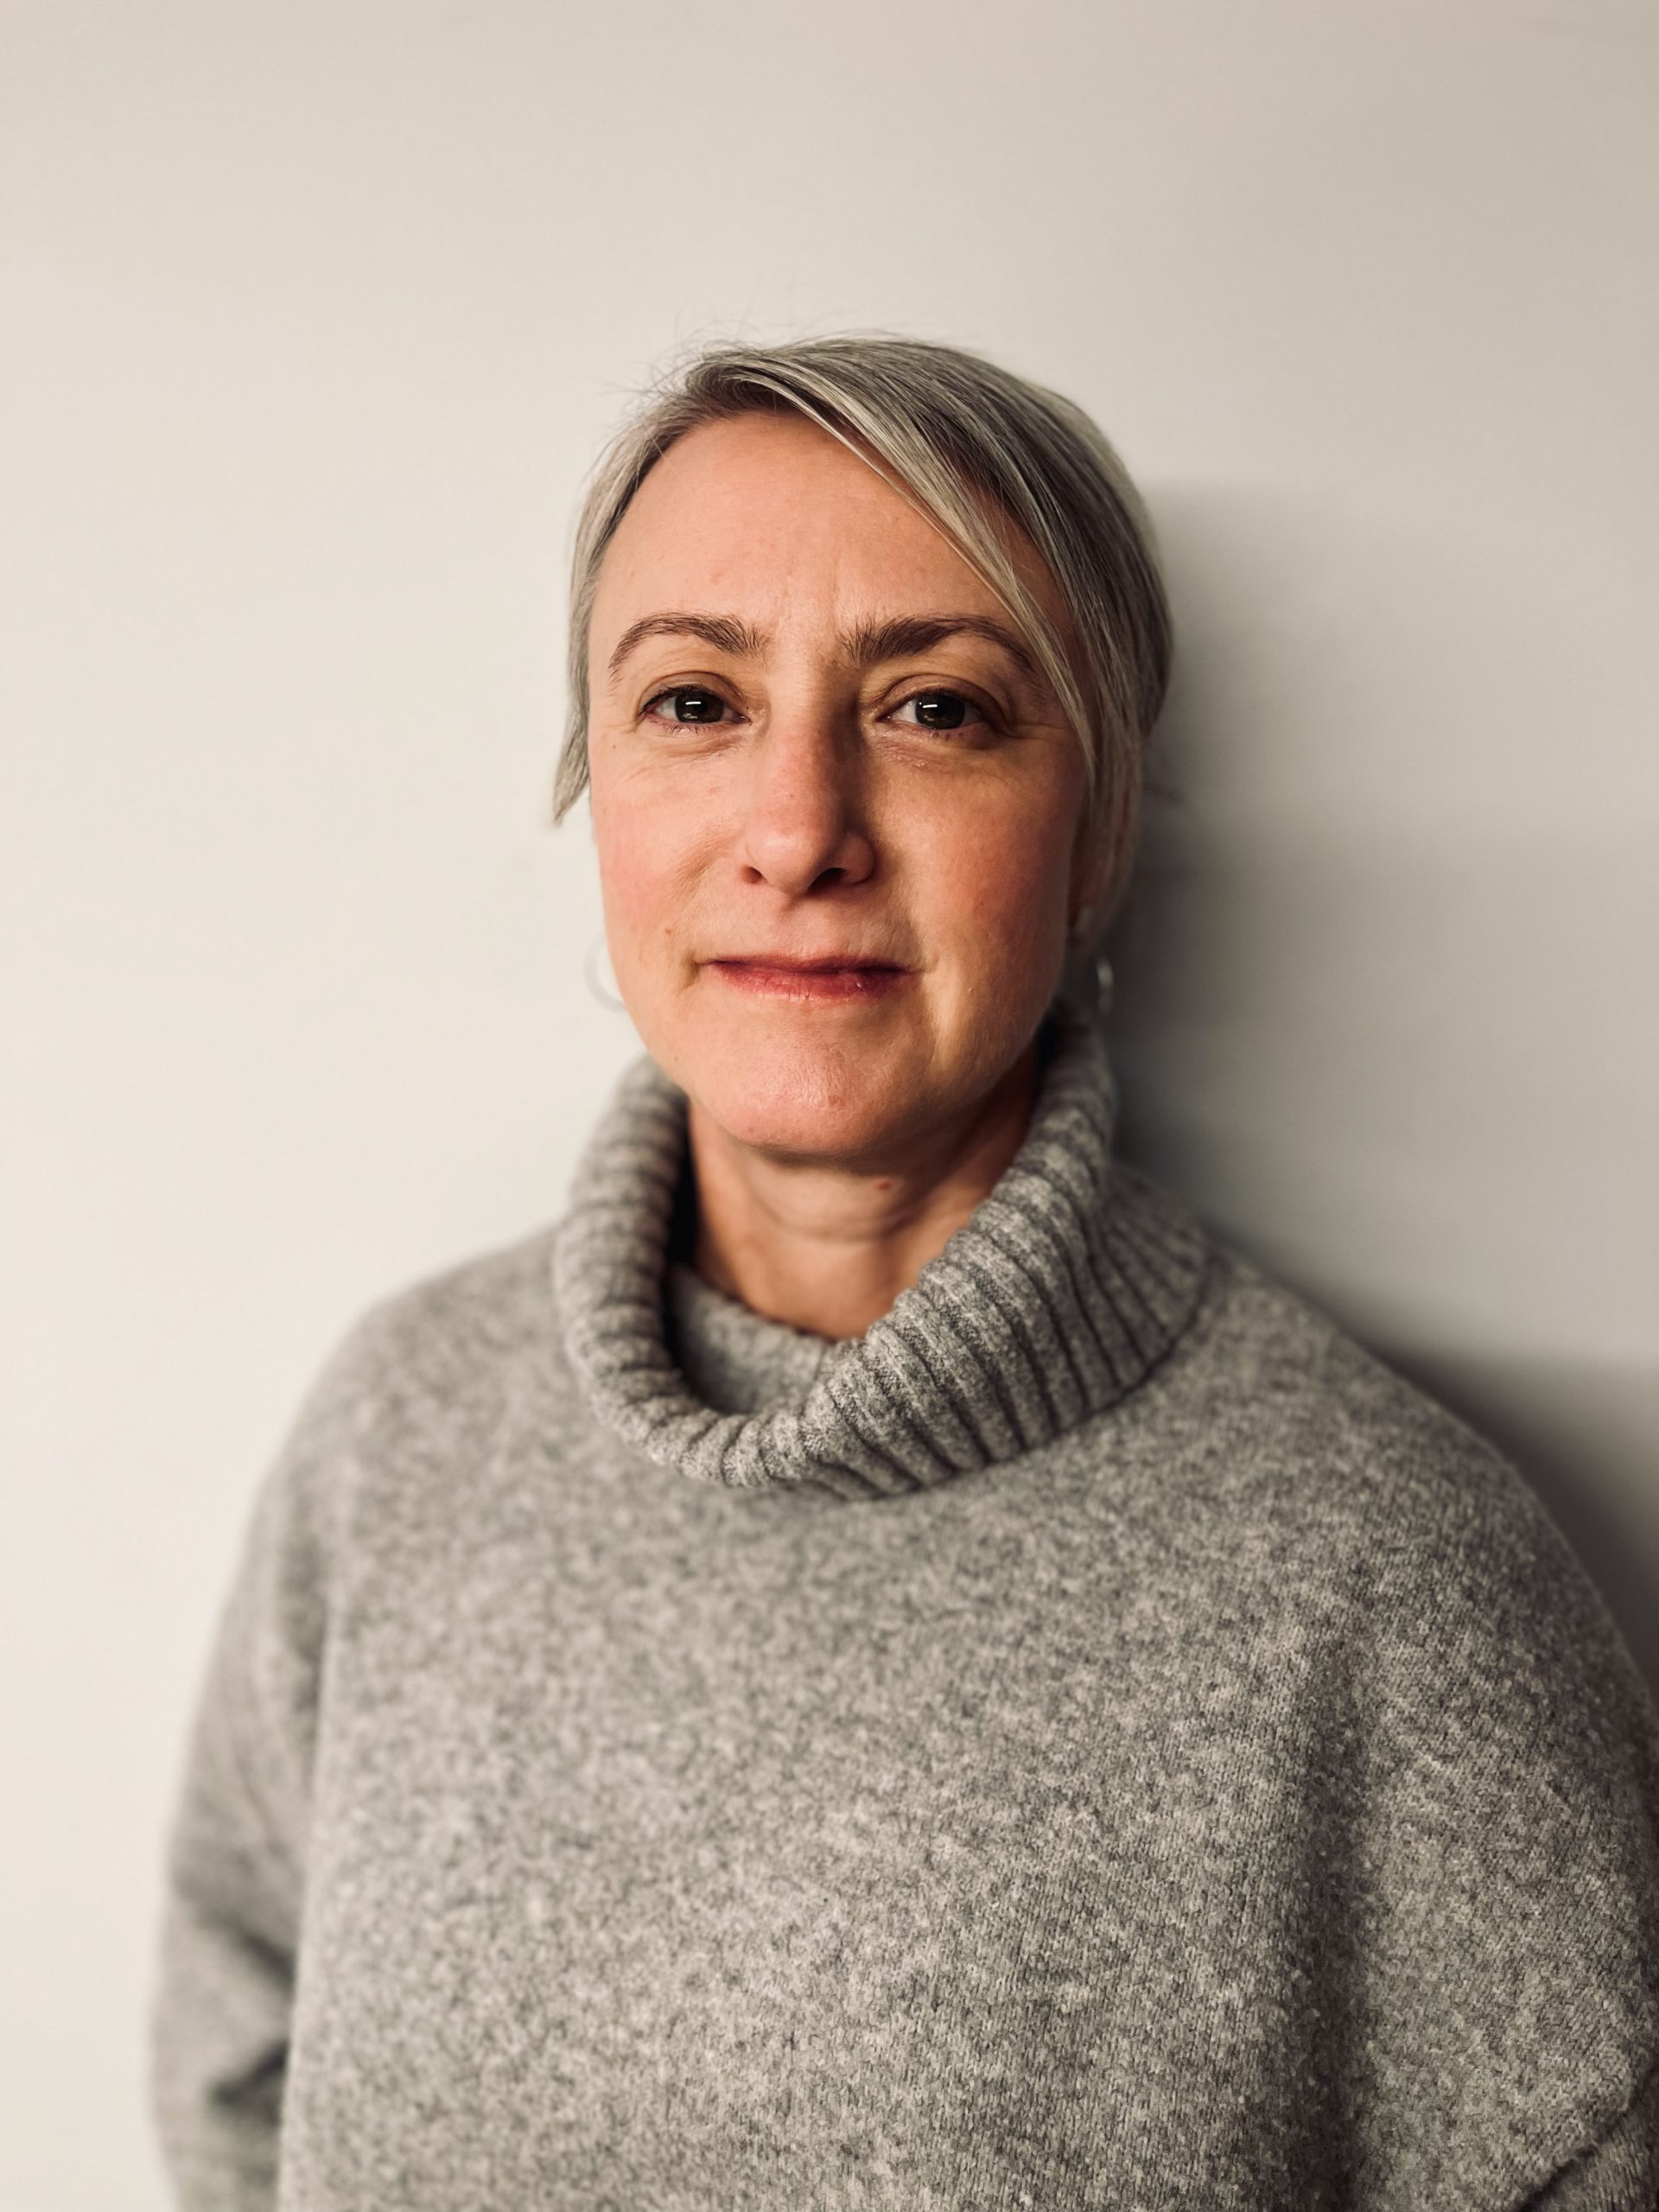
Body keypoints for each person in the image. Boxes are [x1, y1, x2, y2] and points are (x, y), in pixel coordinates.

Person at [150, 335, 1659, 2210]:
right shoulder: (401, 1432)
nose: (800, 832)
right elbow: (235, 2089)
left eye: (937, 708)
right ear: (598, 788)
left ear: (1101, 825)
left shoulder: (1386, 1575)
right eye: (694, 700)